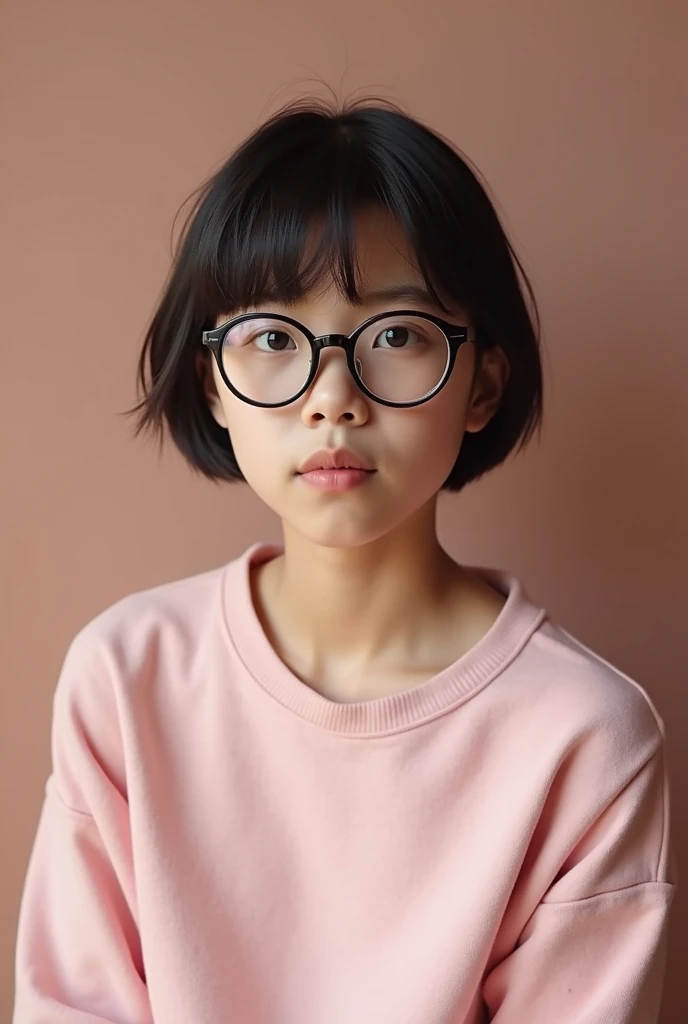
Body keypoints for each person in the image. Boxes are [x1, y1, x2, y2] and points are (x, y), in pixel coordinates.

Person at [13, 97, 676, 1023]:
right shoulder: (126, 677)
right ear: (213, 383)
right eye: (274, 340)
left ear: (483, 379)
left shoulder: (585, 737)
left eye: (395, 335)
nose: (332, 397)